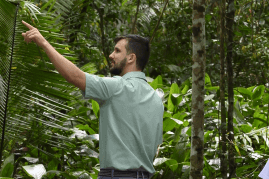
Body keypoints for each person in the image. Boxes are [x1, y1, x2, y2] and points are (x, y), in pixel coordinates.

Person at [21, 21, 163, 179]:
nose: (111, 55)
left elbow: (75, 76)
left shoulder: (116, 88)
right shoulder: (156, 99)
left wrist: (44, 43)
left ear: (131, 58)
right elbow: (156, 146)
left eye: (117, 51)